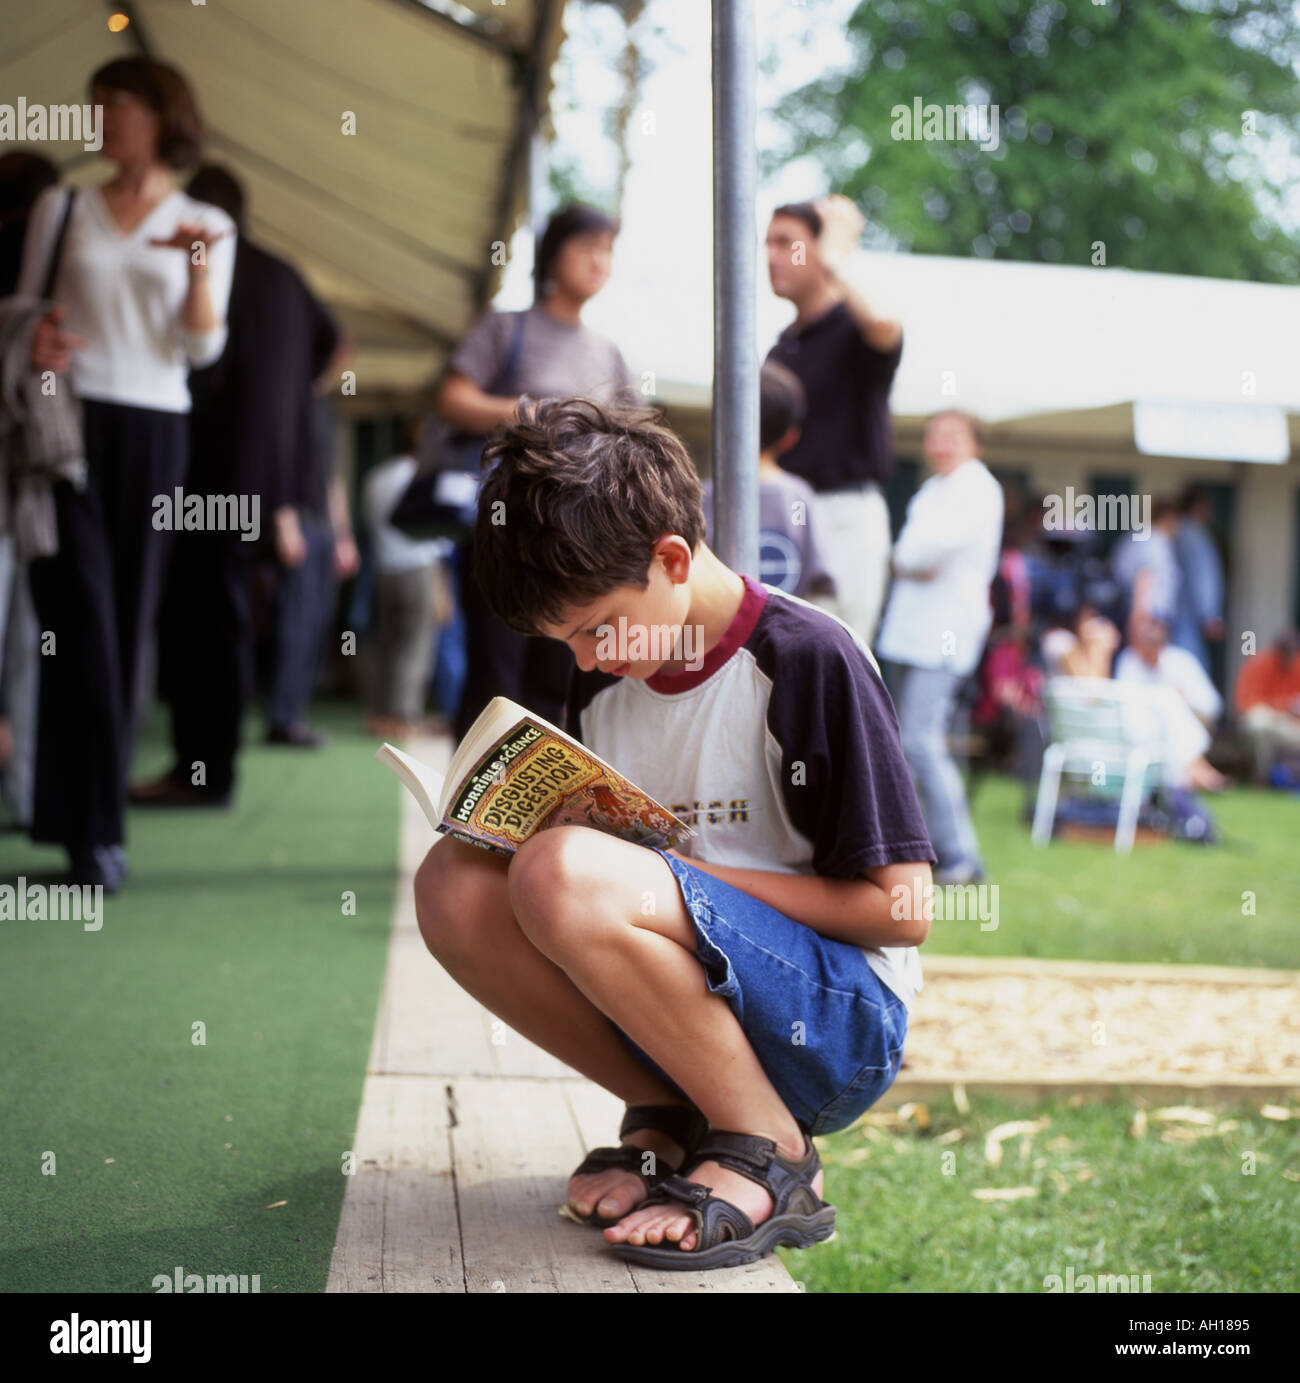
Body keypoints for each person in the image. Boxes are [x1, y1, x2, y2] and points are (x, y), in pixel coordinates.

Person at [412, 396, 934, 1270]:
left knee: (566, 873)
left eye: (595, 629)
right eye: (562, 641)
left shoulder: (806, 658)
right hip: (682, 1009)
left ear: (671, 557)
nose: (583, 660)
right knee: (452, 884)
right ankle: (670, 1116)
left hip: (834, 1024)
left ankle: (772, 1148)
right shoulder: (611, 680)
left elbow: (904, 908)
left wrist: (680, 879)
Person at [16, 57, 235, 888]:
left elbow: (202, 346)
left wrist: (199, 267)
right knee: (76, 619)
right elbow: (30, 309)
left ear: (162, 114)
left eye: (123, 105)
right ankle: (87, 832)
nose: (106, 118)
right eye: (97, 104)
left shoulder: (205, 219)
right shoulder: (59, 204)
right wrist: (31, 343)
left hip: (155, 428)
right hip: (65, 421)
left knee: (124, 618)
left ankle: (92, 831)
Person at [131, 163, 340, 804]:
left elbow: (196, 359)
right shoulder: (287, 276)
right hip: (273, 477)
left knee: (201, 623)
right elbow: (336, 346)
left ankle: (203, 772)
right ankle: (209, 765)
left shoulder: (218, 271)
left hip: (211, 474)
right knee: (225, 617)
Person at [439, 203, 637, 744]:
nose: (599, 262)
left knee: (563, 673)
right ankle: (475, 814)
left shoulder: (609, 352)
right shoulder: (508, 328)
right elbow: (453, 399)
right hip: (506, 526)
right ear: (553, 255)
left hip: (578, 539)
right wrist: (532, 414)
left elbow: (631, 441)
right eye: (587, 248)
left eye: (608, 251)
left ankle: (548, 811)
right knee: (494, 672)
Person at [764, 195, 903, 647]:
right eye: (768, 242)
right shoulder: (782, 348)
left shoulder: (854, 326)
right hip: (785, 509)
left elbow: (885, 322)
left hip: (845, 513)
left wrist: (837, 252)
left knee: (841, 652)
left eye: (787, 243)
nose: (771, 256)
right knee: (778, 649)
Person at [875, 411, 1003, 885]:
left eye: (953, 435)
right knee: (901, 746)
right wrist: (910, 559)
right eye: (936, 434)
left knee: (921, 743)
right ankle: (917, 850)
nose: (942, 443)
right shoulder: (933, 490)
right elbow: (909, 554)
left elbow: (917, 553)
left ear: (975, 442)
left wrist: (909, 559)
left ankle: (961, 855)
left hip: (943, 636)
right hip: (909, 633)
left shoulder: (977, 488)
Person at [699, 360, 835, 602]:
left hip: (716, 636)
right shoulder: (799, 497)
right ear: (790, 437)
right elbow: (819, 581)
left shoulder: (700, 497)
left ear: (714, 425)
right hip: (783, 634)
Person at [363, 417, 444, 736]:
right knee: (413, 646)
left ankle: (379, 714)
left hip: (383, 569)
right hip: (416, 567)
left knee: (385, 644)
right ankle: (404, 716)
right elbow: (436, 532)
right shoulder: (421, 477)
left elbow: (370, 524)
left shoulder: (376, 477)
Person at [1113, 615, 1228, 792]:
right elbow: (1126, 704)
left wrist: (1184, 701)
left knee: (1172, 709)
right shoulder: (1129, 661)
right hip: (1143, 727)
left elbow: (1210, 704)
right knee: (1168, 706)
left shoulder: (1181, 661)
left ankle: (1192, 772)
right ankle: (1196, 771)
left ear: (1163, 644)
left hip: (1186, 721)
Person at [1171, 485, 1224, 676]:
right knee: (1193, 671)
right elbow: (1202, 576)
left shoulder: (1179, 530)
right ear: (1197, 506)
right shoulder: (1193, 535)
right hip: (1187, 618)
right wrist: (1210, 615)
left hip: (1178, 616)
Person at [1234, 630, 1300, 784]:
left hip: (1289, 723)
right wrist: (1277, 708)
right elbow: (1244, 704)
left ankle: (1290, 779)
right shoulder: (1258, 664)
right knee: (1259, 724)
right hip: (1263, 720)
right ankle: (1262, 777)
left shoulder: (1297, 665)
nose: (1288, 658)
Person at [1110, 497, 1181, 640]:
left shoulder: (1140, 535)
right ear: (1168, 518)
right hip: (1149, 615)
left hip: (1138, 611)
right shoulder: (1154, 541)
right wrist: (1139, 620)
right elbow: (1144, 578)